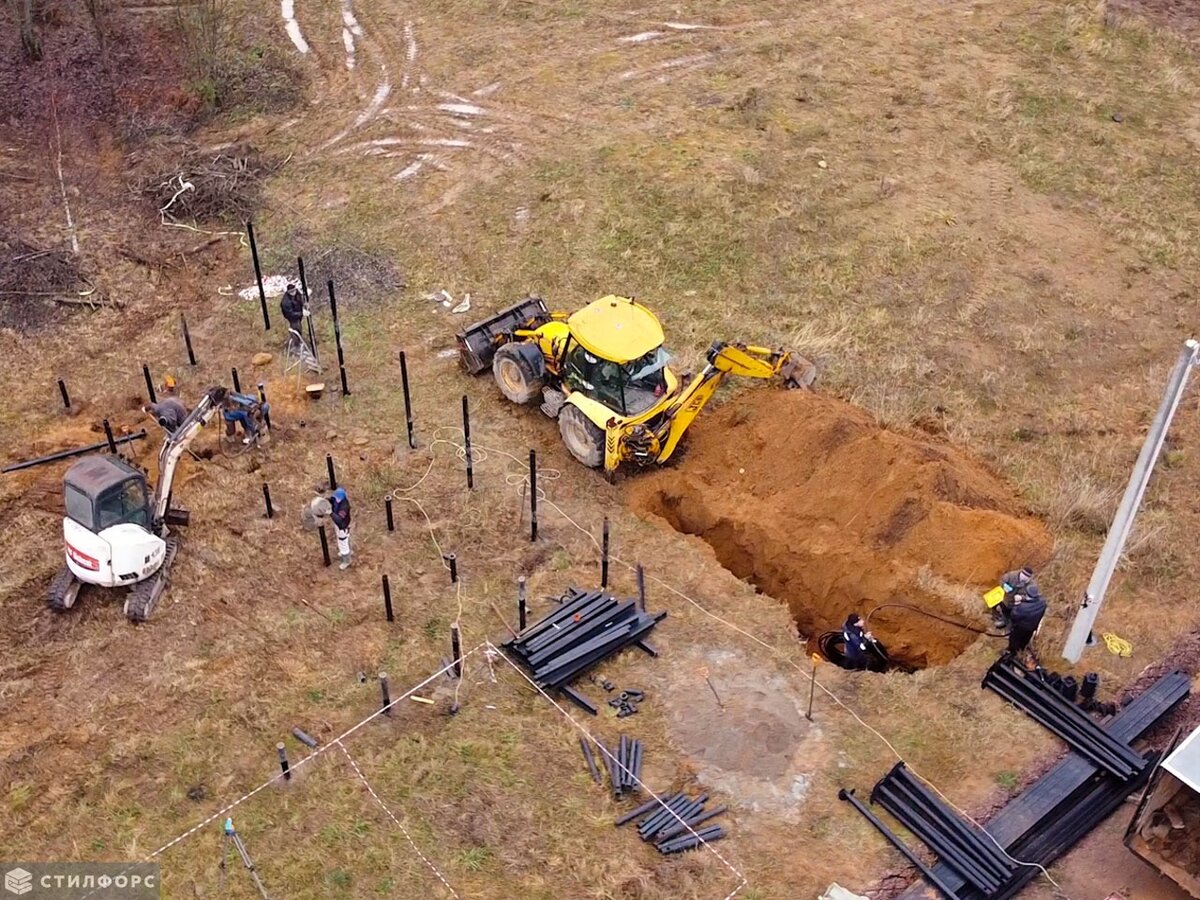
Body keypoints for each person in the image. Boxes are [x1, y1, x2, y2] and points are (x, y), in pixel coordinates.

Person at [1006, 583, 1047, 661]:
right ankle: (1022, 649)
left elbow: (1014, 616)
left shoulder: (1022, 608)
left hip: (1021, 627)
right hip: (1032, 627)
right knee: (1025, 639)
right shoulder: (1042, 602)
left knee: (1014, 640)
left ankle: (1012, 653)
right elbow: (1032, 602)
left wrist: (1017, 604)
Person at [993, 566, 1038, 631]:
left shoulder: (1031, 585)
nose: (1024, 578)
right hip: (1006, 600)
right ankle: (1004, 621)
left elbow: (1031, 596)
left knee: (1014, 616)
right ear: (1021, 573)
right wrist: (1004, 586)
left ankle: (1011, 627)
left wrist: (1022, 597)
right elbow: (1002, 580)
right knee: (1005, 611)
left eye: (1027, 577)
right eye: (1023, 576)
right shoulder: (1011, 575)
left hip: (1017, 605)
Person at [330, 486, 352, 570]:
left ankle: (347, 560)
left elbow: (339, 519)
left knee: (343, 541)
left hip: (342, 526)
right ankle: (348, 551)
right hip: (338, 526)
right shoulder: (336, 500)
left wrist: (331, 513)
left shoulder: (344, 507)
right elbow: (331, 500)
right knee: (342, 539)